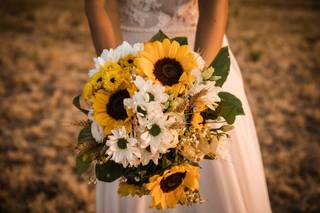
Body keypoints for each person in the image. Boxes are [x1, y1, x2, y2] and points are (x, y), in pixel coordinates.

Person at [84, 0, 272, 212]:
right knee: (128, 162)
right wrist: (117, 81)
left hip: (202, 53)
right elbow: (100, 6)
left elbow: (215, 7)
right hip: (127, 54)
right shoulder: (121, 72)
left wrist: (195, 93)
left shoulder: (200, 75)